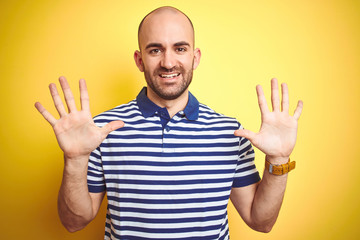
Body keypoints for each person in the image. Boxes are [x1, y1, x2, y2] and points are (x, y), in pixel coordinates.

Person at [35, 6, 303, 240]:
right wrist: (74, 159)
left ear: (195, 57)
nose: (168, 62)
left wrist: (279, 159)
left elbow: (261, 222)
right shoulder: (100, 130)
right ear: (140, 60)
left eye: (180, 48)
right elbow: (73, 222)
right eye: (155, 50)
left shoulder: (231, 132)